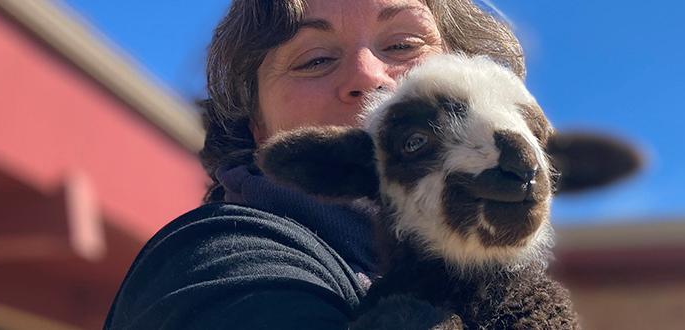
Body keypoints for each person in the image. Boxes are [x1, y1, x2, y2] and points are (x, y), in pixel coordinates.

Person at [104, 0, 525, 328]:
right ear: (257, 129)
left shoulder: (492, 281)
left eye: (403, 45)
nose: (369, 75)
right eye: (315, 60)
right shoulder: (219, 259)